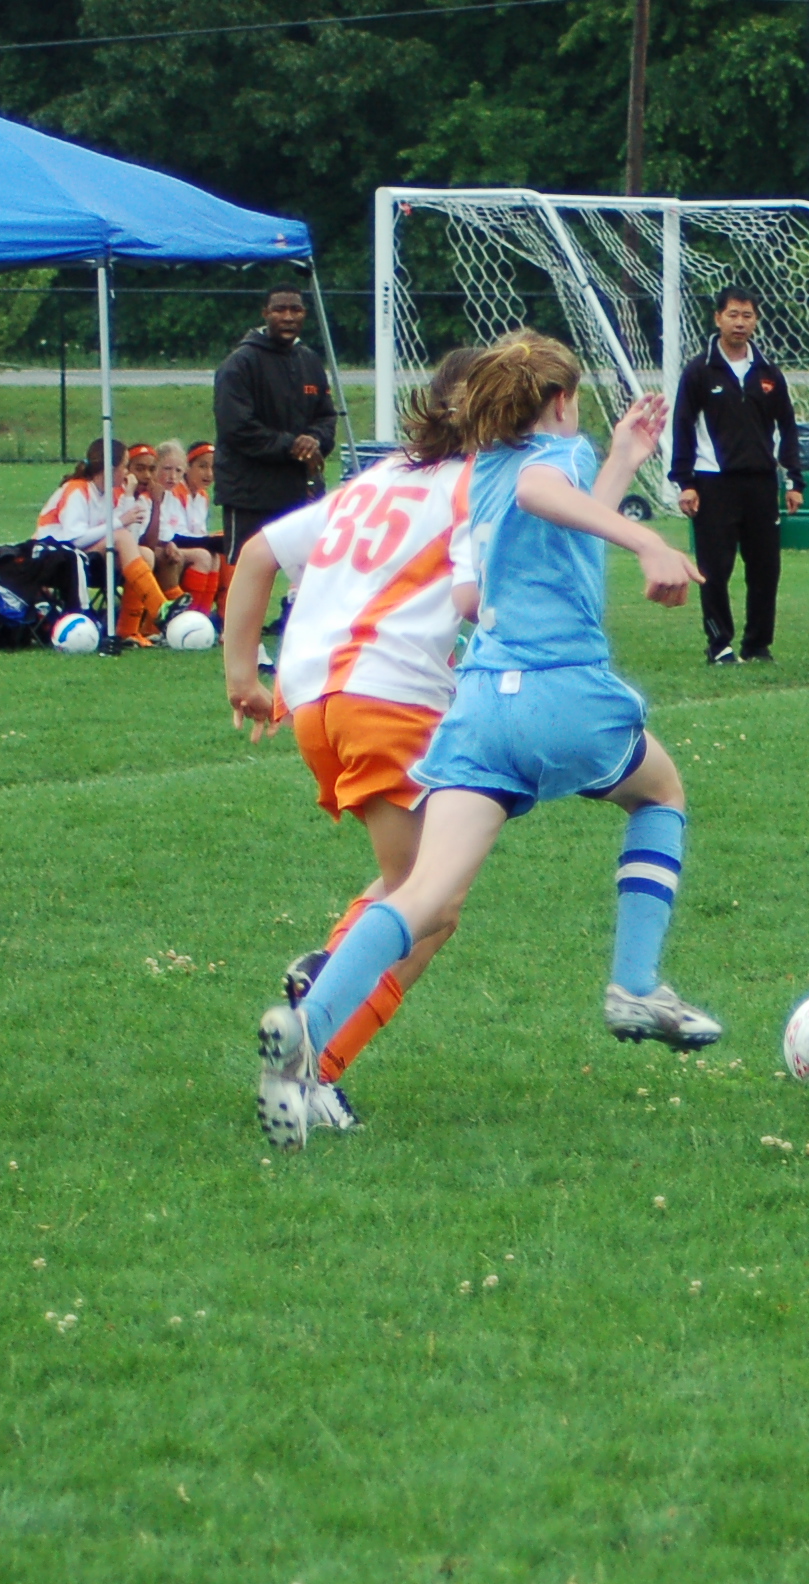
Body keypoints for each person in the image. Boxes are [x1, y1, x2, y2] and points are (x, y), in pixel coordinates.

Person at [253, 331, 715, 1152]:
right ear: (560, 401)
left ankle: (309, 1031)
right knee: (661, 794)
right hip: (560, 692)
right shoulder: (548, 460)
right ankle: (635, 984)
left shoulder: (485, 473)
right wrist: (648, 539)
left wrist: (621, 462)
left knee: (423, 894)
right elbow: (546, 489)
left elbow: (522, 547)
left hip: (478, 710)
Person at [220, 349, 484, 1134]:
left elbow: (258, 553)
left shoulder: (378, 477)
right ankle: (319, 1039)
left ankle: (326, 1002)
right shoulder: (480, 485)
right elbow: (479, 598)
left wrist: (243, 677)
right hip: (390, 696)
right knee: (428, 901)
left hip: (315, 703)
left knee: (419, 890)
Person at [670, 286, 805, 664]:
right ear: (718, 318)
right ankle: (720, 645)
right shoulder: (699, 371)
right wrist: (685, 482)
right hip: (713, 482)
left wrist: (794, 480)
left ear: (756, 320)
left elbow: (787, 427)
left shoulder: (768, 373)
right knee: (714, 569)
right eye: (733, 315)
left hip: (761, 483)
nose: (740, 323)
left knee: (765, 569)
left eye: (747, 315)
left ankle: (757, 645)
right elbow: (682, 425)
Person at [212, 287, 340, 565]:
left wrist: (314, 440)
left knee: (311, 569)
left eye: (296, 310)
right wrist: (291, 446)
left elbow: (327, 417)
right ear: (265, 313)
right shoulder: (240, 363)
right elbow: (237, 428)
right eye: (280, 309)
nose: (288, 317)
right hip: (249, 494)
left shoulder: (309, 360)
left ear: (305, 314)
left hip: (299, 492)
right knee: (246, 570)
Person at [37, 442, 165, 644]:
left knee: (145, 554)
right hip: (53, 557)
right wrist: (120, 522)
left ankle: (128, 631)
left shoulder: (108, 493)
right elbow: (75, 539)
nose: (127, 472)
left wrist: (128, 497)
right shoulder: (76, 489)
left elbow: (130, 541)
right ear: (111, 469)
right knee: (120, 537)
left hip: (86, 555)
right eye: (125, 465)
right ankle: (159, 608)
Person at [152, 438, 221, 610]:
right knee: (203, 556)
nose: (209, 474)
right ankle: (189, 612)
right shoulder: (174, 491)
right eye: (202, 466)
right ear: (189, 468)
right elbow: (175, 534)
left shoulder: (202, 497)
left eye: (213, 468)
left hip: (173, 543)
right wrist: (210, 542)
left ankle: (204, 613)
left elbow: (198, 533)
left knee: (215, 557)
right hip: (165, 545)